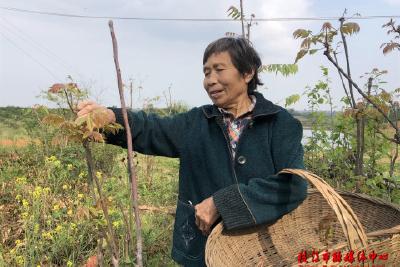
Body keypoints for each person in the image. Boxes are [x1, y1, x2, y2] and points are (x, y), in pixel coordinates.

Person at [77, 37, 307, 266]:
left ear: (247, 73)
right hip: (202, 249)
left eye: (219, 70)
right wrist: (110, 118)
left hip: (260, 252)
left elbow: (293, 184)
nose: (211, 80)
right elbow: (151, 129)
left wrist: (222, 203)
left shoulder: (280, 124)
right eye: (206, 73)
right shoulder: (198, 121)